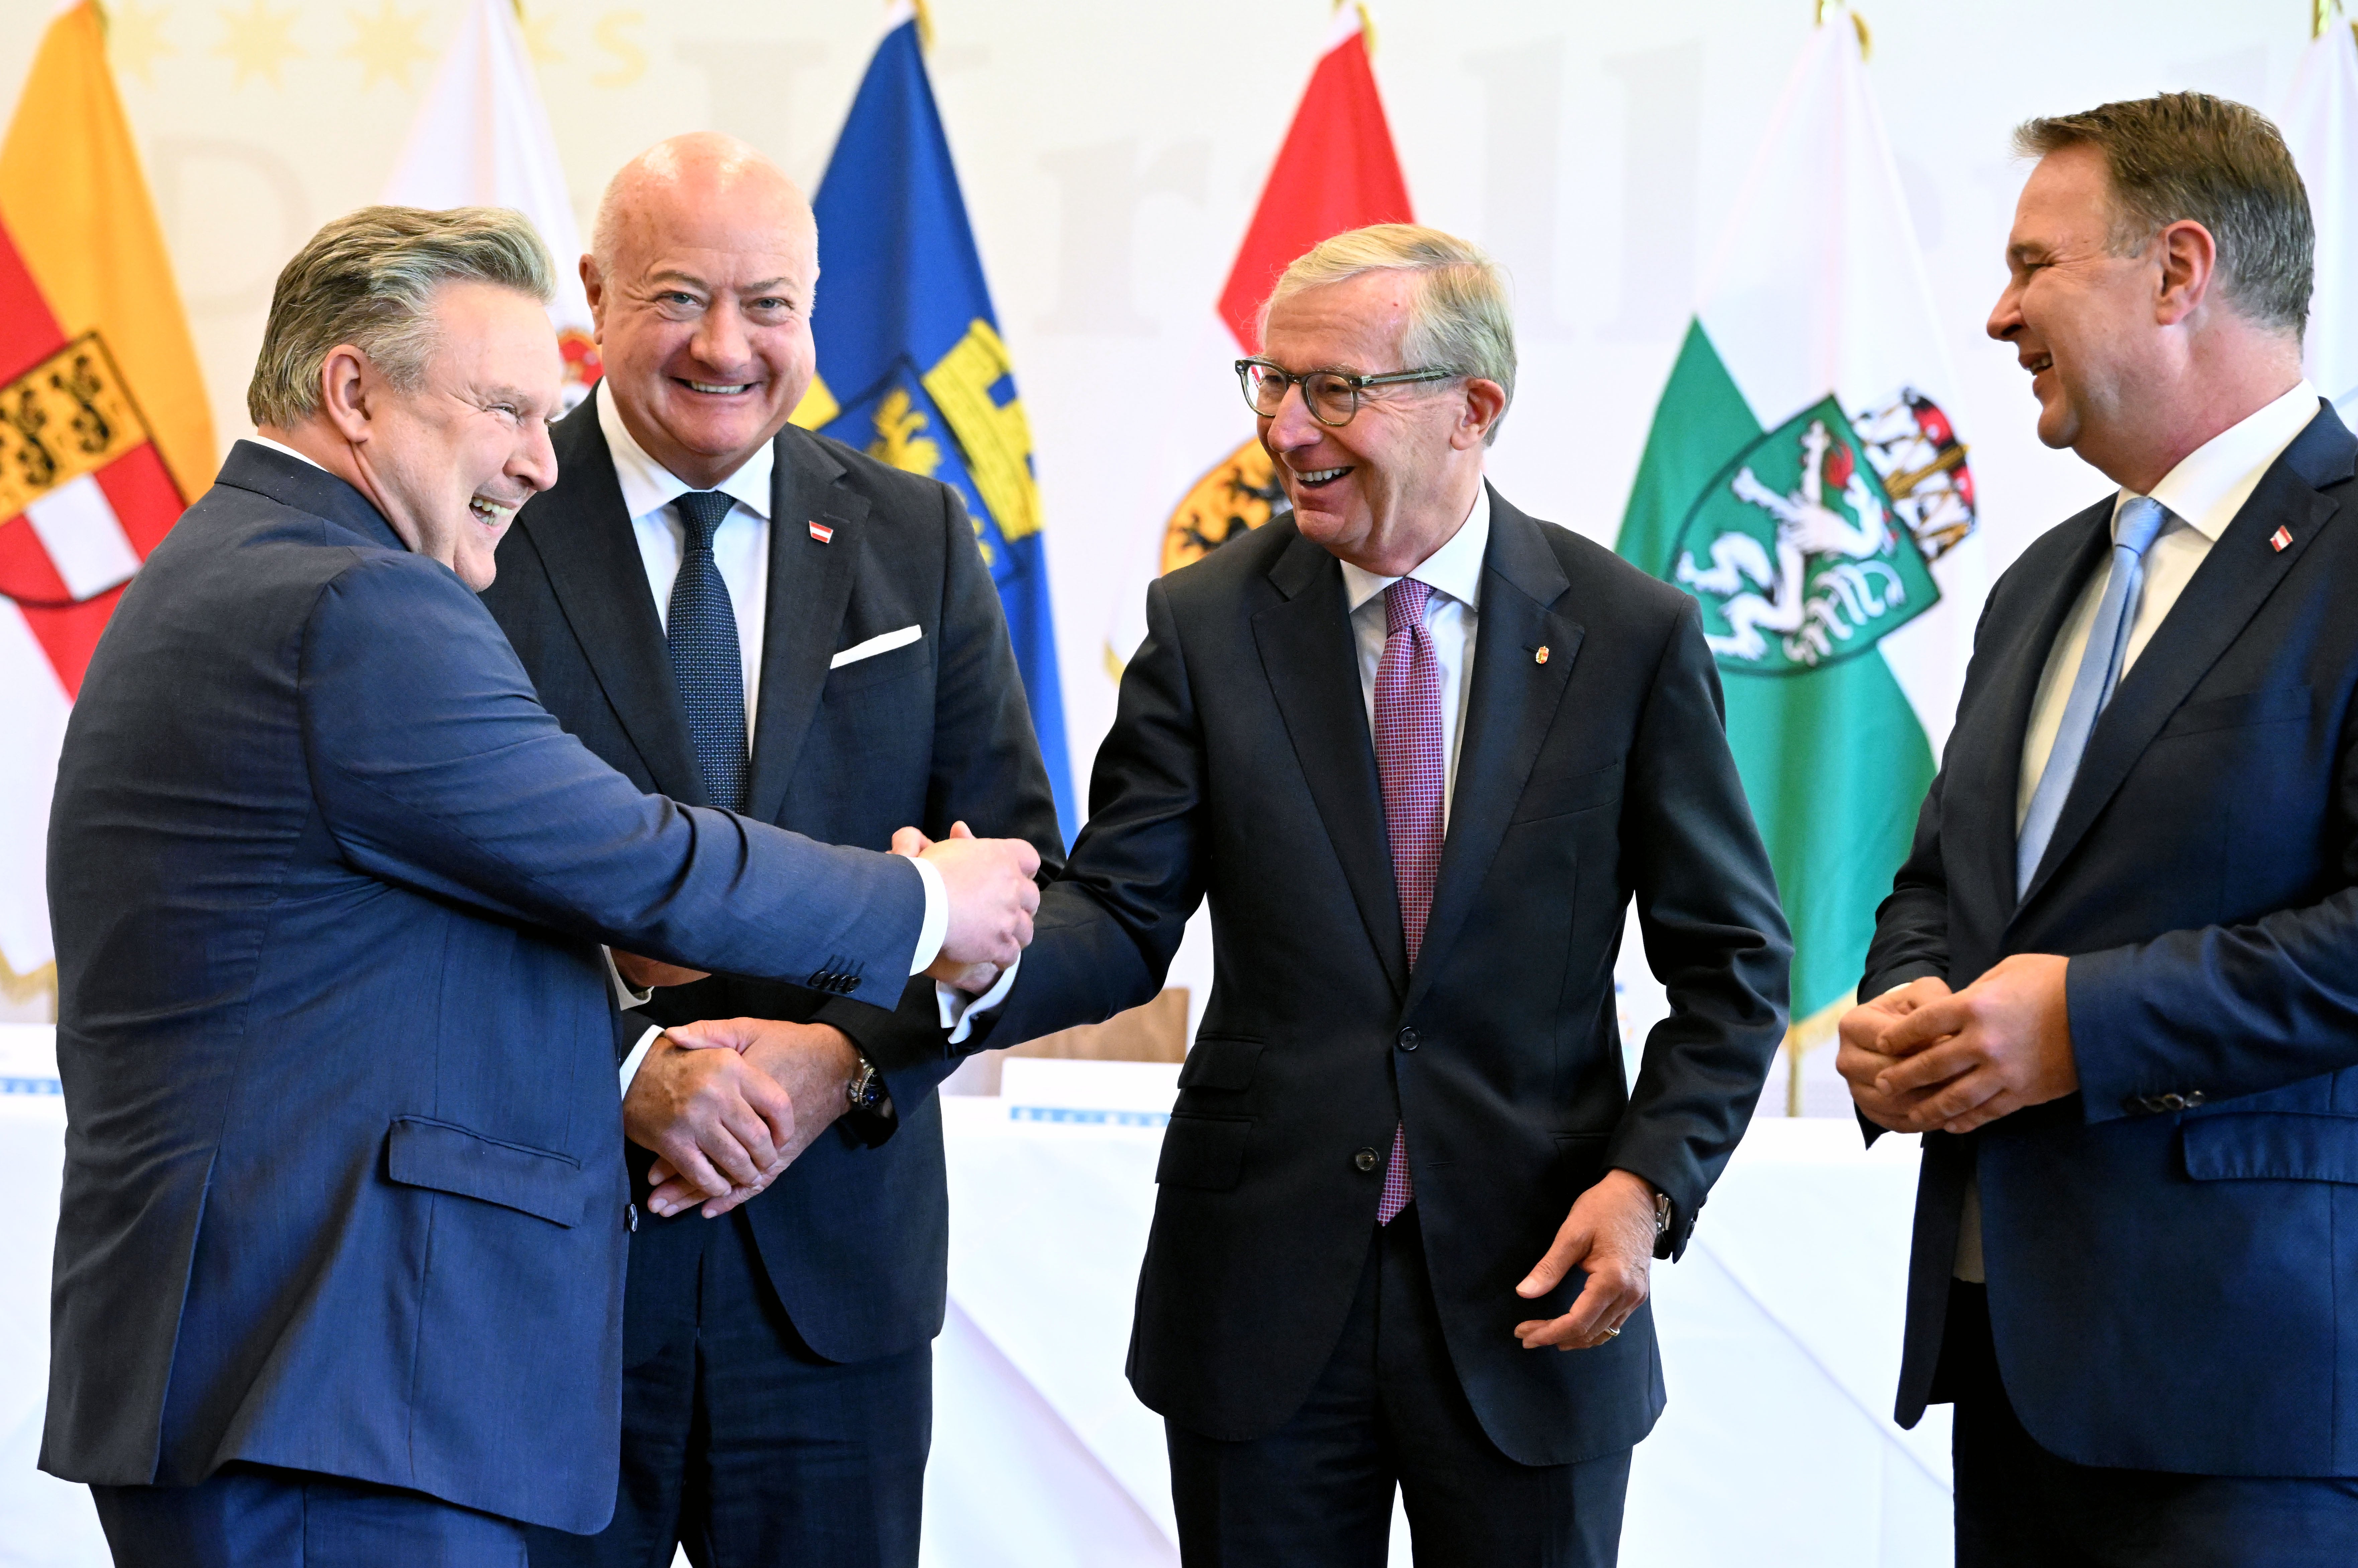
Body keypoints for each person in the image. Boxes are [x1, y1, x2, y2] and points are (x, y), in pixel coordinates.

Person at [38, 205, 1041, 1568]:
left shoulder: (242, 565)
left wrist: (619, 968)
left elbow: (381, 922)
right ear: (353, 392)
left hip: (302, 1378)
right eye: (506, 408)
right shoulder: (356, 603)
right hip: (332, 1383)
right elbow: (637, 856)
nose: (537, 456)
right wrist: (927, 908)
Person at [897, 224, 1791, 1567]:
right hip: (1260, 1296)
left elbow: (1731, 967)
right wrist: (975, 943)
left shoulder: (1628, 636)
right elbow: (1124, 917)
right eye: (1270, 381)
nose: (1283, 429)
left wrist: (1646, 1183)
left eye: (1333, 390)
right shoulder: (1204, 625)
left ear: (1471, 408)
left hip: (1535, 1285)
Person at [478, 134, 1065, 1568]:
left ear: (814, 311)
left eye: (769, 305)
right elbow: (421, 891)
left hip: (835, 1280)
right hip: (546, 1271)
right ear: (595, 294)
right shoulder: (480, 524)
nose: (725, 346)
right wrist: (622, 1069)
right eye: (679, 296)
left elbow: (1015, 875)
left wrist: (839, 1060)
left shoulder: (920, 536)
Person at [1837, 93, 2358, 1565]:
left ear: (2178, 270)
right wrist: (1907, 1008)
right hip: (2012, 1369)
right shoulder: (2039, 582)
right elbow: (1942, 884)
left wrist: (2085, 1024)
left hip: (2250, 1397)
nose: (1998, 315)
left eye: (2031, 266)